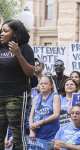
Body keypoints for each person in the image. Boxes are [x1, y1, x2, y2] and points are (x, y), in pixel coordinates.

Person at [0, 19, 34, 149]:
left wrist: (18, 54)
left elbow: (30, 73)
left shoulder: (25, 48)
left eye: (5, 31)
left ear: (15, 33)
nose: (1, 33)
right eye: (1, 31)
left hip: (17, 95)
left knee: (17, 133)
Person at [29, 75, 60, 149]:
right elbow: (31, 116)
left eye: (45, 83)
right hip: (36, 134)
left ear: (51, 85)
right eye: (41, 83)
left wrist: (41, 122)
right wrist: (31, 130)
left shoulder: (55, 96)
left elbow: (56, 115)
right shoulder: (36, 98)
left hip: (50, 134)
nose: (42, 85)